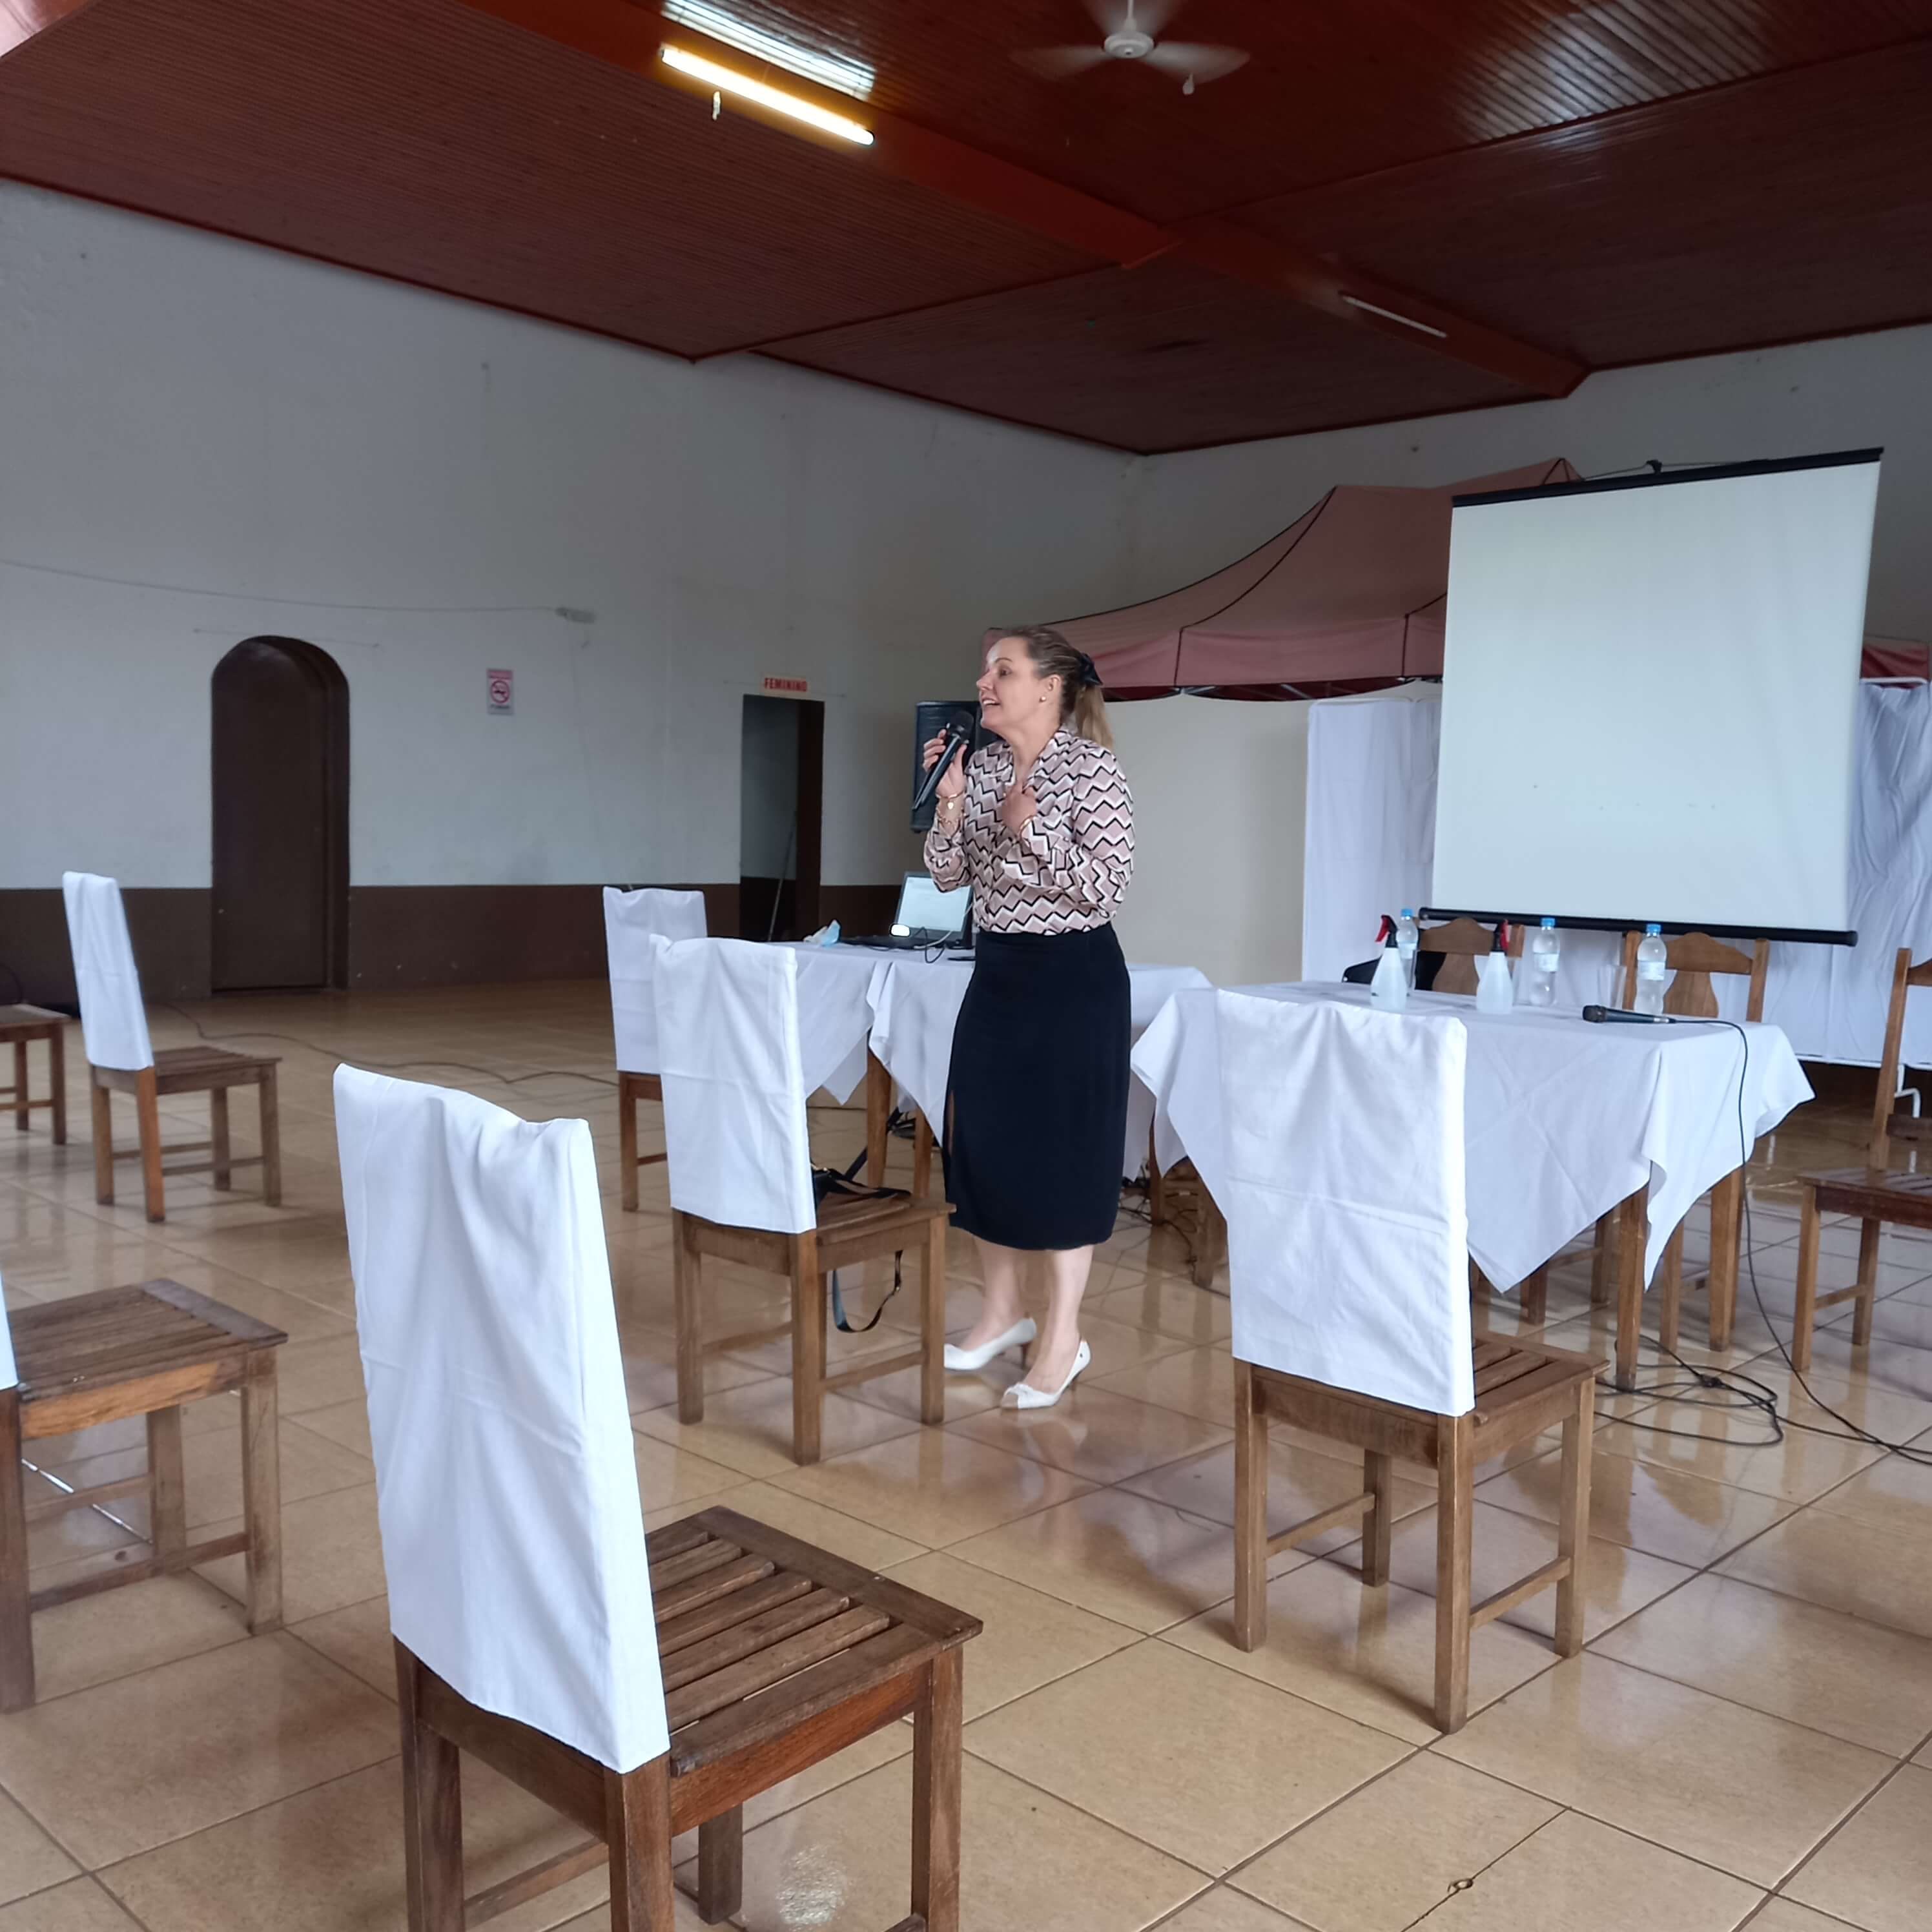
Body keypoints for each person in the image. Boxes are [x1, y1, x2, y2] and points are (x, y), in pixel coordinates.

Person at [921, 625, 1135, 1408]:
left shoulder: (1092, 770)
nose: (985, 683)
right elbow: (948, 879)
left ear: (1047, 687)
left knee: (1063, 1154)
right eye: (984, 671)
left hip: (1074, 981)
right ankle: (1002, 1314)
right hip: (999, 974)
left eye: (1001, 671)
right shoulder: (977, 770)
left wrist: (1031, 830)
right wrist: (949, 809)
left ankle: (1062, 1336)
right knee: (983, 1144)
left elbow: (1105, 888)